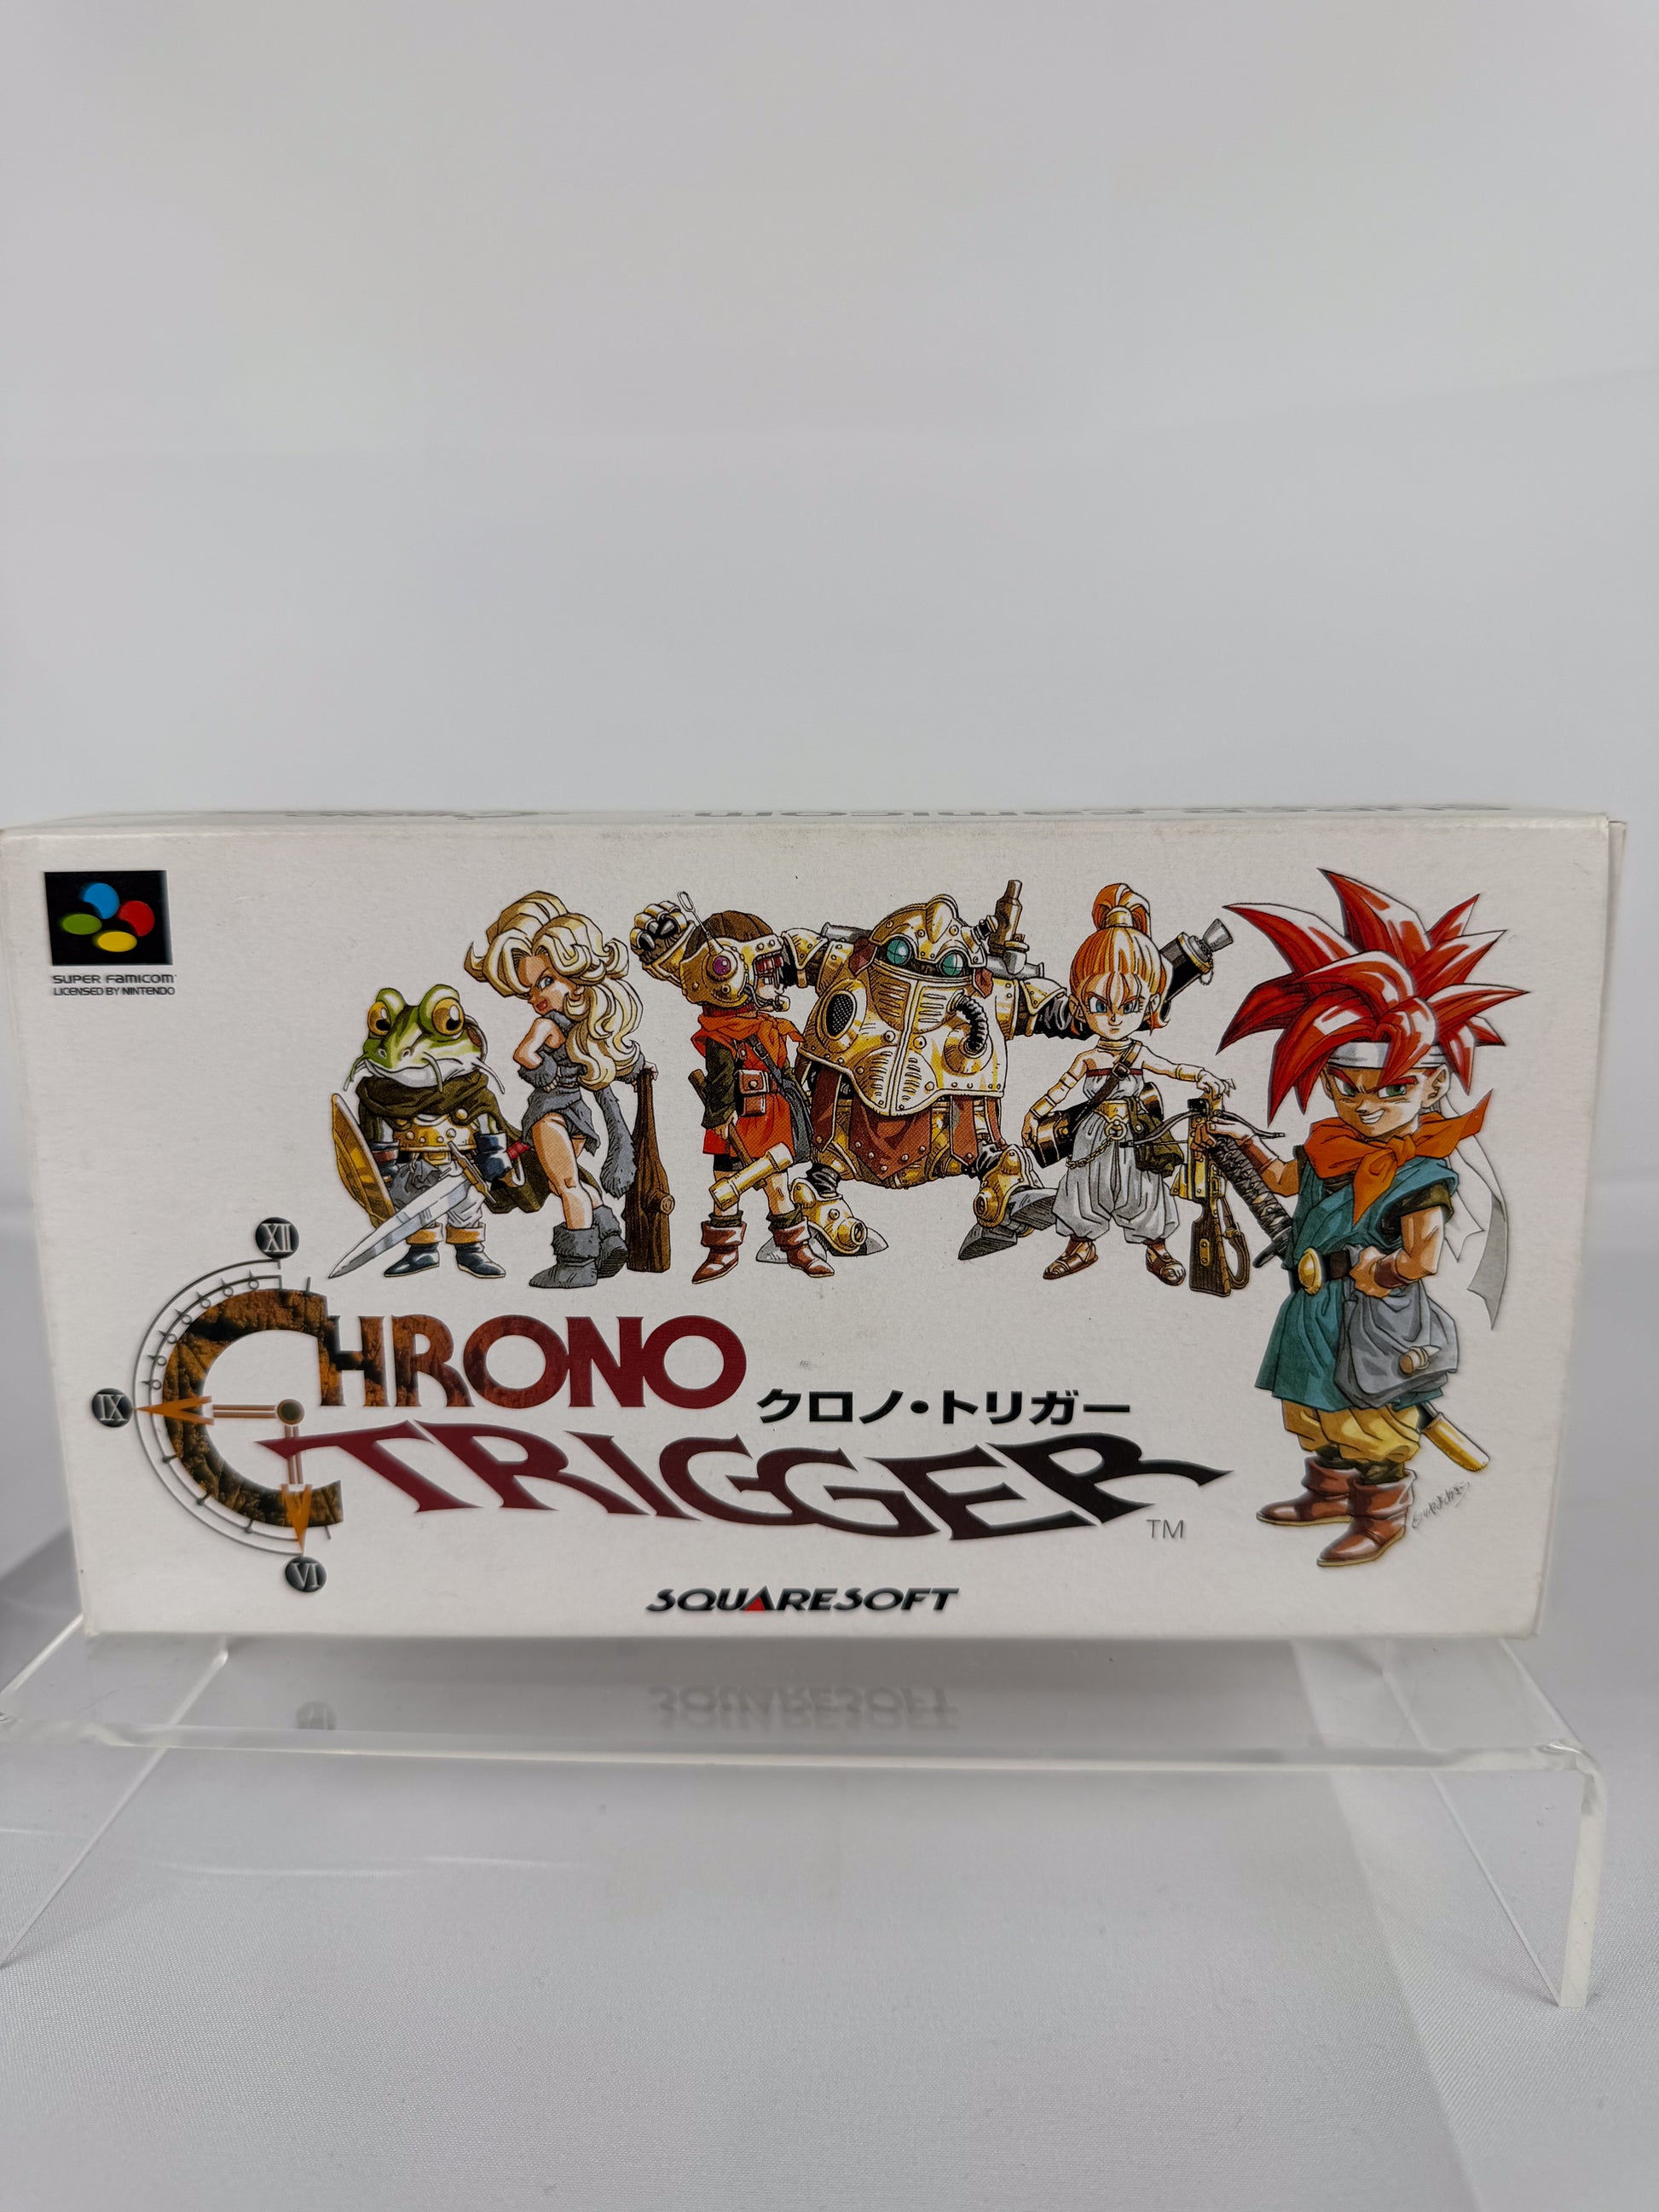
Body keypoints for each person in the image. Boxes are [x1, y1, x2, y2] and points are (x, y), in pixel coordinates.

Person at [1213, 871, 1523, 1567]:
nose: (1368, 1105)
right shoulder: (1329, 1145)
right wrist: (1242, 1144)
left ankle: (1380, 1515)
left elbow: (1422, 1257)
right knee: (1313, 1409)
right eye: (1349, 1088)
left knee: (1373, 1422)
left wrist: (1376, 1268)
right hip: (1313, 1307)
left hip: (1374, 1318)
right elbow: (1287, 1179)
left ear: (1432, 1085)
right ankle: (1326, 1494)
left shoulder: (1421, 1173)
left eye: (1392, 1089)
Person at [1025, 885, 1231, 1286]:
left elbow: (1172, 1069)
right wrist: (1035, 1114)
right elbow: (1061, 1088)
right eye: (1101, 1006)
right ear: (1080, 1006)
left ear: (1151, 1005)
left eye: (1130, 1006)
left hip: (1137, 1130)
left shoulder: (1137, 1053)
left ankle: (1157, 1248)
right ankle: (1080, 1245)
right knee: (1083, 1187)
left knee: (1145, 1188)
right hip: (1091, 1133)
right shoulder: (1089, 1059)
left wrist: (1203, 1076)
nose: (1116, 1018)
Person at [465, 892, 646, 1290]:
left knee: (566, 1186)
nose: (535, 999)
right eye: (528, 991)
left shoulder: (547, 1026)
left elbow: (522, 1054)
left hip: (551, 1116)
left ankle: (576, 1264)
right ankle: (608, 1241)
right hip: (578, 1116)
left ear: (574, 973)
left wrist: (542, 1070)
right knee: (566, 1181)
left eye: (544, 982)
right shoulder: (584, 1031)